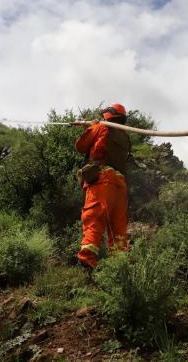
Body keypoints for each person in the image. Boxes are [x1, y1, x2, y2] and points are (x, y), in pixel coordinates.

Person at [73, 104, 131, 269]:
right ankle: (120, 266)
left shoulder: (101, 127)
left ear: (108, 114)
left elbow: (80, 146)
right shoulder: (124, 137)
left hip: (103, 180)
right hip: (120, 184)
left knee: (94, 215)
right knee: (118, 227)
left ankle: (87, 258)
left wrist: (89, 128)